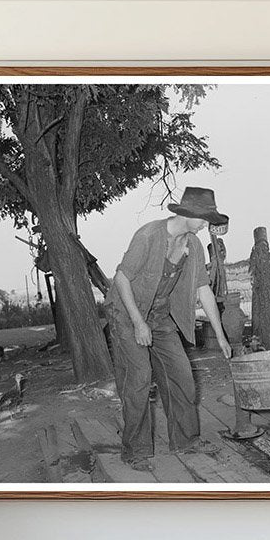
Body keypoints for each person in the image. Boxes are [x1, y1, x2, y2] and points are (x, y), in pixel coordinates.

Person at [105, 187, 233, 469]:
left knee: (182, 374)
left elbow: (203, 289)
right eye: (204, 218)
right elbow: (121, 279)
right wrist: (138, 322)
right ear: (188, 214)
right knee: (139, 377)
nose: (206, 224)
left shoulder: (194, 245)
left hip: (160, 315)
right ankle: (135, 451)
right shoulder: (149, 236)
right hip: (127, 313)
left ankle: (186, 441)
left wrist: (221, 335)